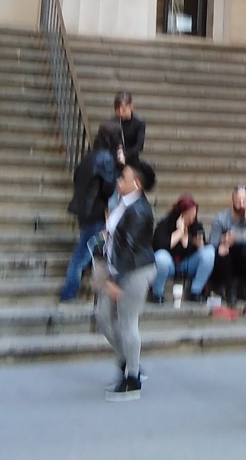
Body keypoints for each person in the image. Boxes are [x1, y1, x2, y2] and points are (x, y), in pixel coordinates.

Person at [97, 158, 157, 402]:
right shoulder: (123, 203)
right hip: (116, 270)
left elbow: (130, 249)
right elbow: (115, 237)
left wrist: (115, 279)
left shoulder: (140, 211)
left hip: (134, 271)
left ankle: (132, 379)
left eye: (124, 177)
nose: (119, 180)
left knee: (127, 323)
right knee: (102, 317)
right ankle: (130, 362)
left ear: (137, 184)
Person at [59, 107, 126, 302]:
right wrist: (120, 166)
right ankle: (68, 293)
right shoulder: (106, 159)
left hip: (84, 211)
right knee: (83, 255)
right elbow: (108, 188)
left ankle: (95, 292)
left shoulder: (90, 156)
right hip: (95, 213)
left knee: (92, 252)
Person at [209, 186, 246, 305]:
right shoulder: (221, 219)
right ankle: (229, 289)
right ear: (232, 201)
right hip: (229, 257)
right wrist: (223, 241)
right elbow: (212, 243)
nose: (241, 204)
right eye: (238, 201)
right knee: (223, 251)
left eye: (244, 200)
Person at [151, 194, 216, 303]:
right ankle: (157, 294)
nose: (191, 218)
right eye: (189, 215)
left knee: (209, 252)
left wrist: (199, 245)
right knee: (161, 257)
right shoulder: (165, 224)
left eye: (194, 215)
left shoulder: (196, 226)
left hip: (188, 264)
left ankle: (196, 291)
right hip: (169, 265)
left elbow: (202, 248)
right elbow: (160, 246)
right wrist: (179, 232)